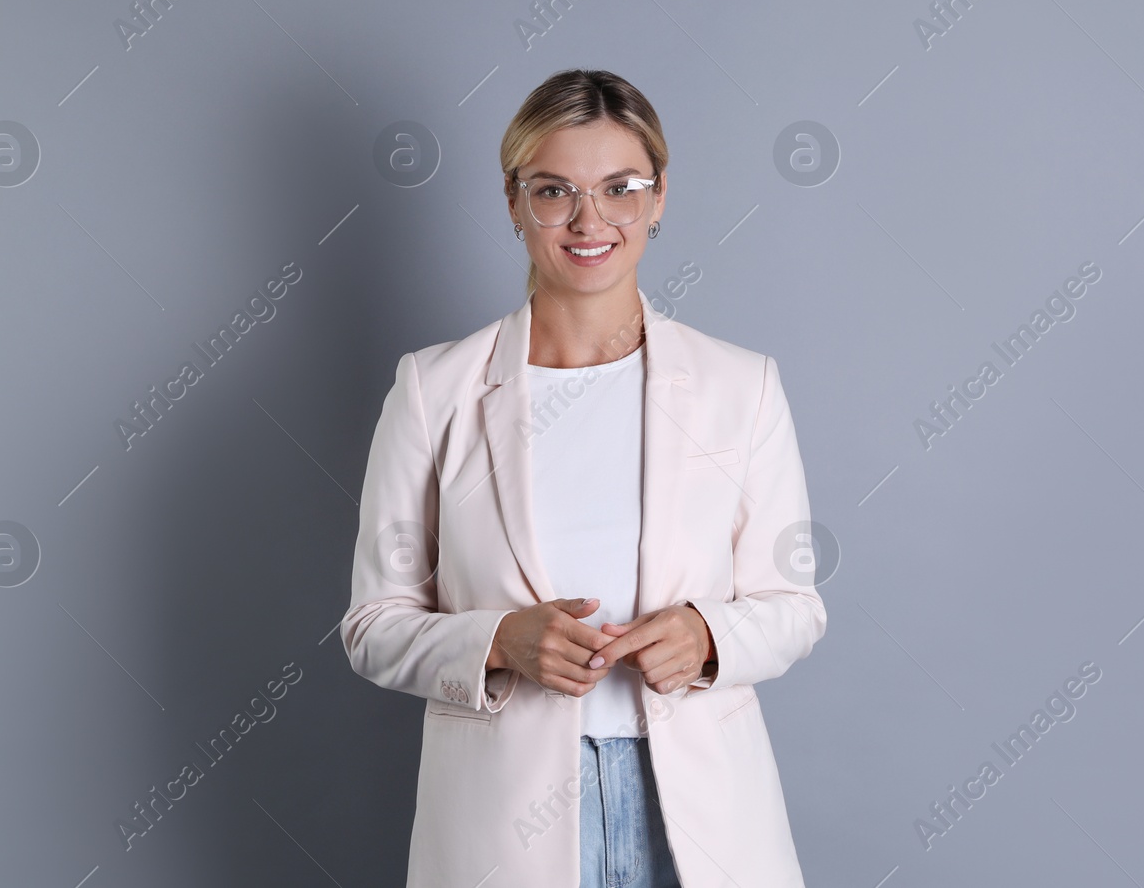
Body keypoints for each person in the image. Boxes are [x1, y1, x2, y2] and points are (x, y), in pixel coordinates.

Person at [341, 68, 826, 888]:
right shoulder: (435, 389)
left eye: (619, 188)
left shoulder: (740, 386)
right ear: (513, 200)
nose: (588, 218)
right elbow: (373, 623)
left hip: (697, 812)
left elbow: (795, 606)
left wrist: (710, 635)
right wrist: (497, 640)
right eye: (555, 190)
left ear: (660, 195)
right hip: (506, 821)